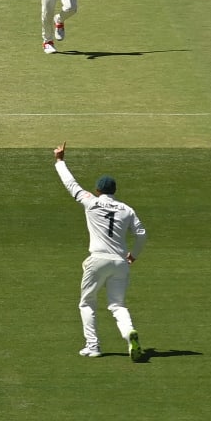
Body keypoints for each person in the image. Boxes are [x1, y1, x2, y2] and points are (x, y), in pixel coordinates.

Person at [53, 141, 147, 361]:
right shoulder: (127, 209)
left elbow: (71, 184)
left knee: (87, 302)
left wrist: (59, 161)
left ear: (97, 190)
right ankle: (128, 334)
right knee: (117, 305)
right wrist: (133, 255)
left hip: (97, 260)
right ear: (114, 191)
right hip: (120, 262)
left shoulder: (91, 202)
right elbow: (142, 234)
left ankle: (93, 346)